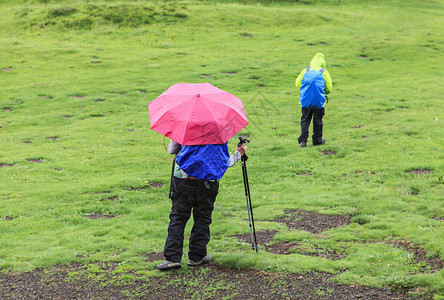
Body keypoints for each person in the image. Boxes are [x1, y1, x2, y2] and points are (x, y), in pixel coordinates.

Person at [156, 140, 247, 270]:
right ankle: (196, 256)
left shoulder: (185, 127)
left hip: (183, 179)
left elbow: (171, 150)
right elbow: (226, 162)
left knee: (178, 218)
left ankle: (172, 258)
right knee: (202, 218)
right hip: (208, 183)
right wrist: (239, 154)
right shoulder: (218, 133)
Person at [295, 53, 333, 147]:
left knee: (305, 120)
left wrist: (306, 89)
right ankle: (317, 140)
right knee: (318, 120)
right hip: (319, 101)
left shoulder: (306, 70)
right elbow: (329, 88)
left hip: (305, 100)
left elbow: (297, 84)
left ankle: (303, 141)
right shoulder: (323, 71)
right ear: (323, 62)